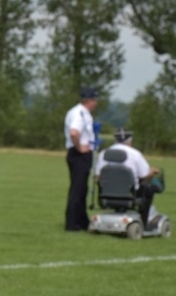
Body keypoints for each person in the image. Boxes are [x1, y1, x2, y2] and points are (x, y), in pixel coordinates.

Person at [95, 128, 162, 226]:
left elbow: (98, 175)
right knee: (150, 188)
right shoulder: (135, 154)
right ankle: (144, 221)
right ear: (130, 141)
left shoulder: (103, 153)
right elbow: (144, 175)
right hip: (130, 194)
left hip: (107, 193)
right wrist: (152, 172)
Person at [63, 87, 98, 231]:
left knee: (82, 188)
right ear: (90, 101)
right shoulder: (80, 113)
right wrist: (79, 147)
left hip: (80, 153)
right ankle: (72, 223)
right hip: (79, 154)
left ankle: (82, 220)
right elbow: (74, 132)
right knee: (78, 189)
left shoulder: (81, 112)